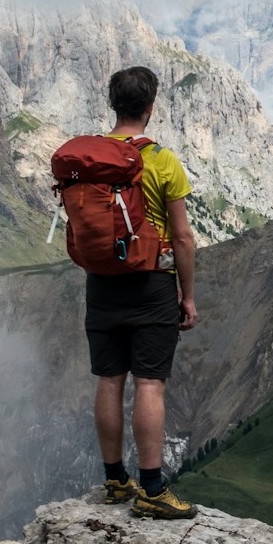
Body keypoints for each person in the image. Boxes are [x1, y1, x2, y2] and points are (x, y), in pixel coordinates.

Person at [88, 66, 201, 519]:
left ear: (113, 104)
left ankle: (115, 481)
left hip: (101, 284)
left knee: (110, 379)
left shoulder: (90, 157)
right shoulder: (162, 160)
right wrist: (187, 297)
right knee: (149, 383)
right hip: (152, 281)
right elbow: (184, 237)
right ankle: (152, 489)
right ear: (150, 107)